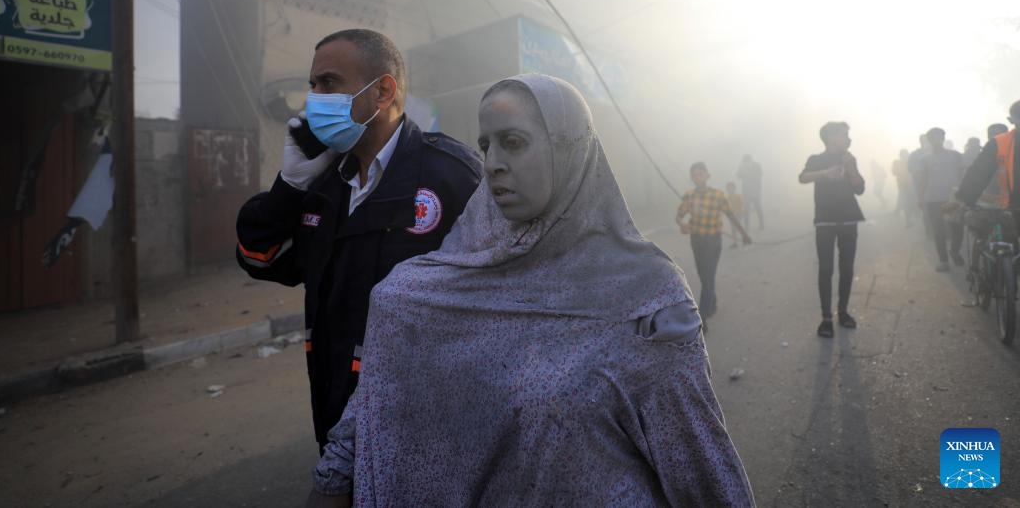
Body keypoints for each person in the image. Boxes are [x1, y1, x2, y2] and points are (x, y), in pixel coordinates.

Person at [307, 74, 755, 507]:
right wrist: (334, 475)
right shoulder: (441, 280)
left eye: (514, 143)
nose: (493, 162)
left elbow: (698, 461)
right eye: (486, 145)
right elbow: (381, 392)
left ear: (569, 151)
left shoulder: (644, 295)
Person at [235, 29, 481, 451]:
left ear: (383, 91)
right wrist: (289, 186)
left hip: (428, 426)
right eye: (312, 86)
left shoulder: (451, 178)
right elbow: (260, 258)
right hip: (335, 414)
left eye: (328, 83)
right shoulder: (321, 184)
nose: (314, 99)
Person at [799, 121, 865, 338]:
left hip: (848, 220)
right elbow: (803, 177)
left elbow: (860, 188)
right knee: (826, 269)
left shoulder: (849, 158)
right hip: (825, 221)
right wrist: (824, 173)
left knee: (847, 269)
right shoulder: (816, 160)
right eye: (844, 134)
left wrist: (852, 167)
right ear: (830, 138)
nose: (849, 138)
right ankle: (826, 318)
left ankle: (843, 312)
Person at [676, 163, 753, 320]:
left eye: (701, 173)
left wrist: (744, 234)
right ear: (692, 178)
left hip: (713, 241)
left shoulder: (718, 195)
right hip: (697, 241)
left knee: (708, 276)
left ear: (707, 175)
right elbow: (679, 215)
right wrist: (682, 224)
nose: (698, 177)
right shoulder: (689, 196)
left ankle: (702, 317)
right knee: (703, 276)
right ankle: (713, 301)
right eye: (695, 175)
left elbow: (731, 215)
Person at [915, 127, 964, 271]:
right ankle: (943, 261)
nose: (936, 140)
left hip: (952, 198)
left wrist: (964, 194)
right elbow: (922, 180)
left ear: (943, 138)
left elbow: (962, 176)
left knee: (957, 229)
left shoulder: (955, 155)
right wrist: (920, 198)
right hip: (933, 199)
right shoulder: (924, 159)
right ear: (929, 140)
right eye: (933, 138)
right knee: (938, 231)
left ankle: (954, 251)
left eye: (939, 137)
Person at [957, 106, 1020, 217]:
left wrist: (966, 198)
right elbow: (979, 172)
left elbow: (979, 172)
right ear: (1010, 120)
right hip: (1013, 208)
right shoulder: (999, 143)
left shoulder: (998, 143)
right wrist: (966, 197)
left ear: (1010, 120)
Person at [908, 134, 933, 239]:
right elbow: (913, 171)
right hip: (923, 186)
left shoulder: (935, 153)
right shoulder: (915, 155)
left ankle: (932, 231)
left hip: (932, 186)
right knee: (927, 210)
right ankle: (929, 231)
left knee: (931, 210)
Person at [737, 154, 764, 230]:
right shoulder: (742, 166)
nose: (746, 163)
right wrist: (742, 173)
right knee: (746, 209)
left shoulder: (757, 166)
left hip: (755, 190)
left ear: (750, 160)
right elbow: (738, 175)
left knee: (758, 207)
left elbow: (760, 174)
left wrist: (748, 174)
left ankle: (761, 225)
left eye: (747, 161)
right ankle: (747, 226)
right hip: (746, 191)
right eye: (745, 162)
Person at [891, 149, 915, 227]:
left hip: (902, 185)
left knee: (906, 202)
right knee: (910, 202)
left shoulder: (896, 162)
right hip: (910, 185)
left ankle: (908, 219)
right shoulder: (911, 161)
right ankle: (909, 219)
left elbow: (894, 172)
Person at [725, 181, 745, 248]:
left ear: (734, 189)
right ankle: (735, 242)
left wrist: (739, 213)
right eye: (728, 188)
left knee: (737, 228)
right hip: (732, 215)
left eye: (731, 188)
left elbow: (741, 205)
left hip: (738, 214)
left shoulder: (738, 196)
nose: (730, 190)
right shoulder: (727, 197)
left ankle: (743, 239)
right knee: (733, 229)